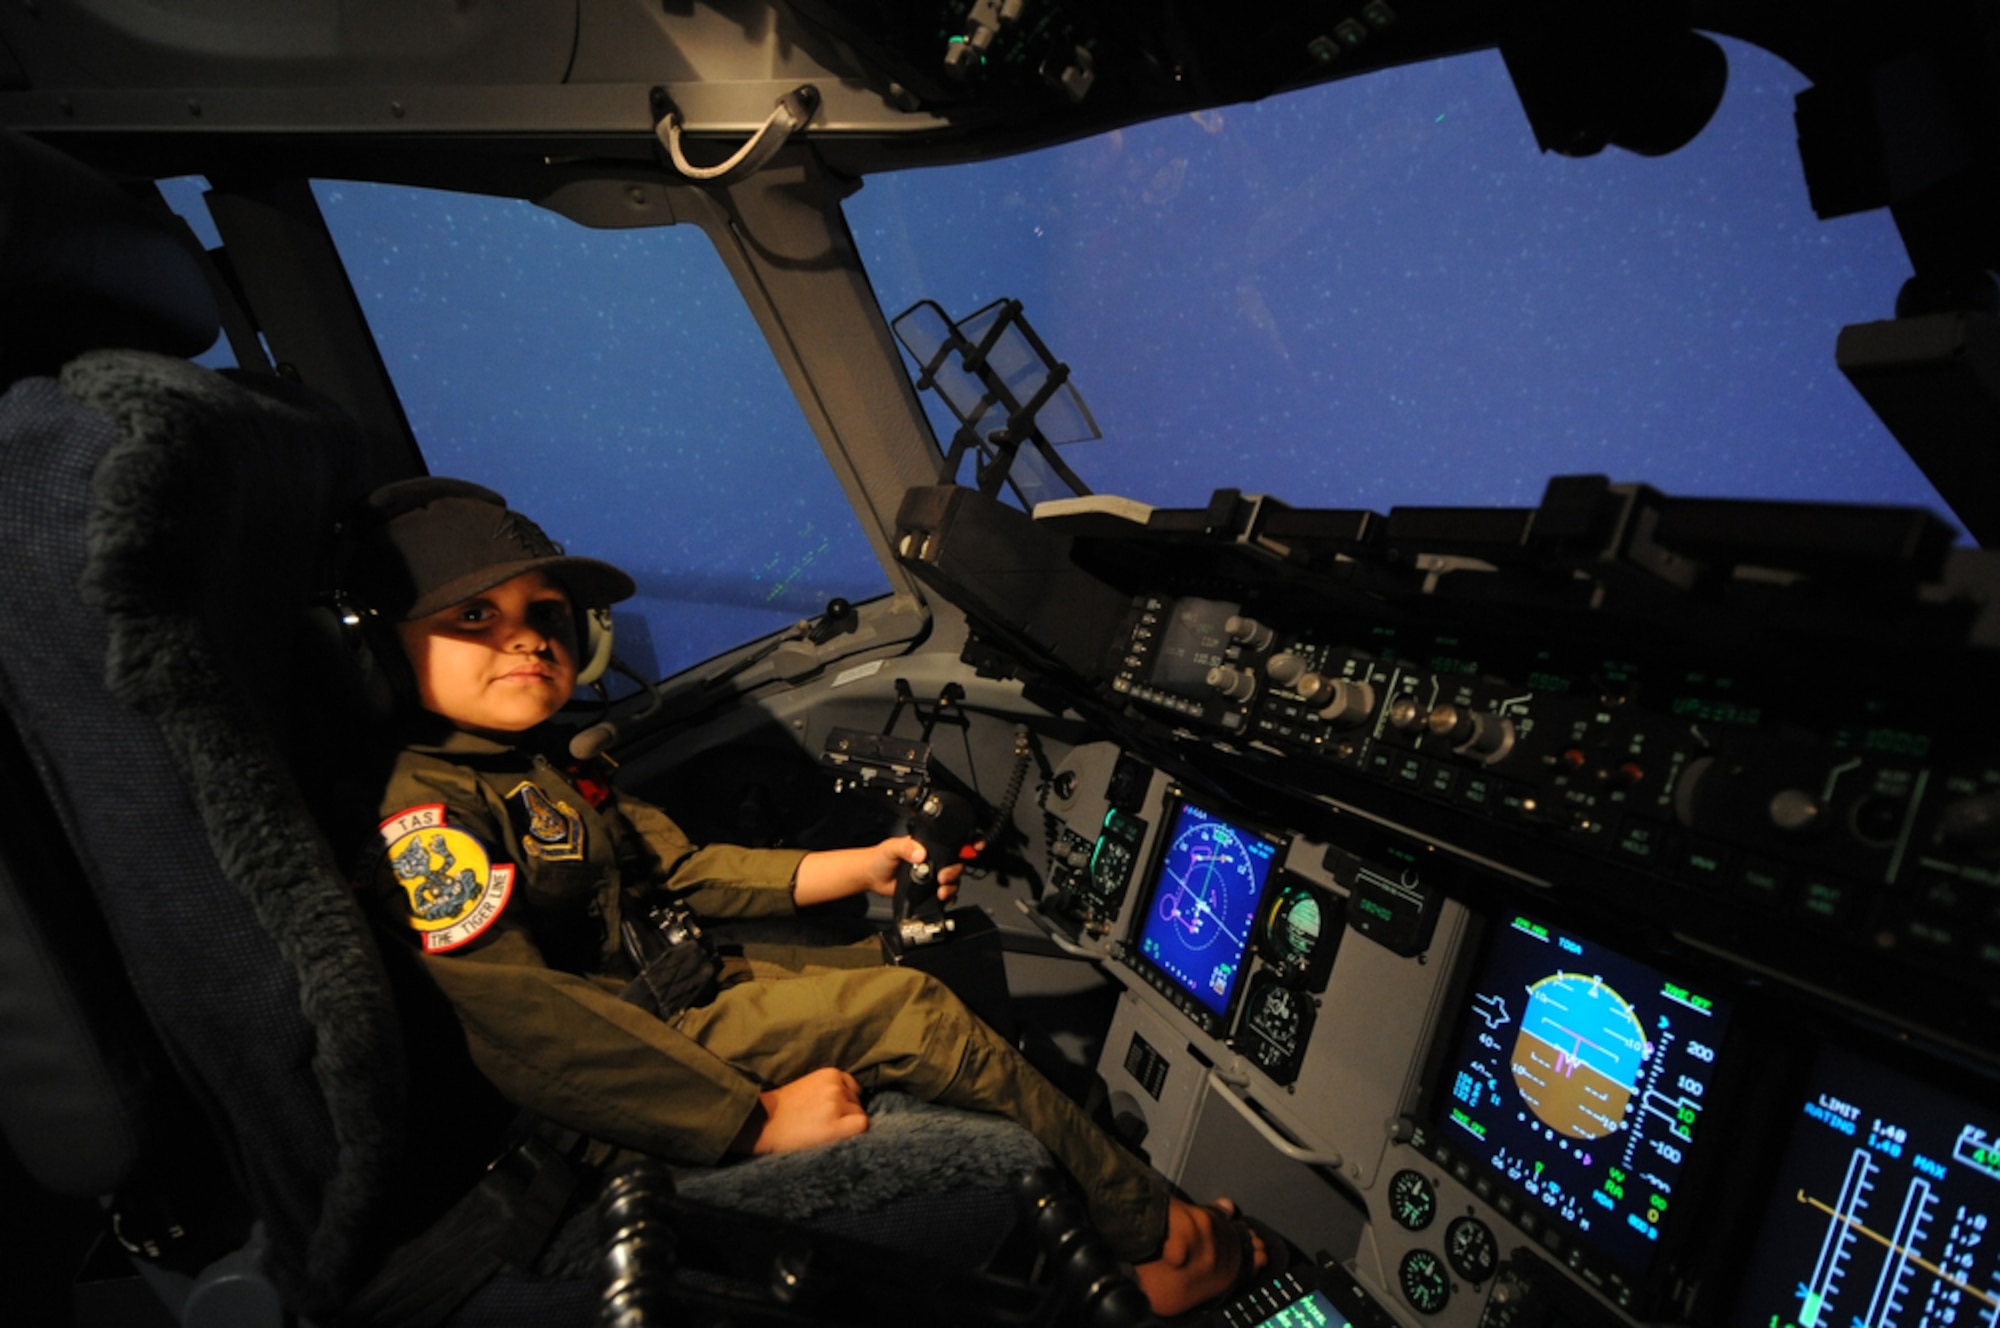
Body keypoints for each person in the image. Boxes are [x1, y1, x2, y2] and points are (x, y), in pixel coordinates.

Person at [343, 476, 1267, 1316]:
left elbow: (686, 872)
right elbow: (527, 1024)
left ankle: (1086, 1175)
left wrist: (863, 865)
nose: (529, 637)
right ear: (372, 657)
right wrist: (751, 1121)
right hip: (617, 1056)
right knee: (910, 1009)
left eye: (544, 613)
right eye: (472, 616)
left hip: (672, 992)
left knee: (899, 957)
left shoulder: (536, 766)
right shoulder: (425, 814)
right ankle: (1167, 1242)